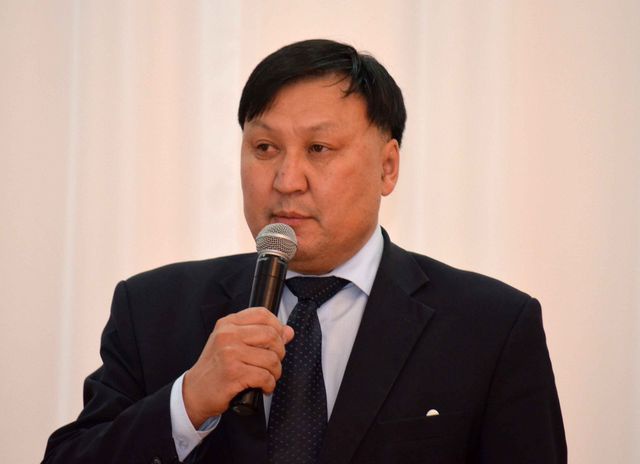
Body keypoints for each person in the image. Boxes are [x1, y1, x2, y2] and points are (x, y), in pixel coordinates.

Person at [43, 39, 566, 464]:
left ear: (387, 168)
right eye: (265, 148)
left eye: (319, 149)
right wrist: (187, 402)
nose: (287, 180)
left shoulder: (491, 326)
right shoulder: (151, 309)